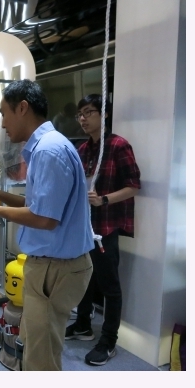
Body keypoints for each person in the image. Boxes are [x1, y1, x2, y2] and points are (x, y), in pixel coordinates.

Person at [0, 79, 93, 371]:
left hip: (54, 268)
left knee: (40, 357)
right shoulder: (50, 146)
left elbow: (45, 219)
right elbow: (37, 205)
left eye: (4, 113)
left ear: (22, 108)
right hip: (54, 266)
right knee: (36, 346)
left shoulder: (48, 151)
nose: (2, 124)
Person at [65, 93, 141, 366]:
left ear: (104, 113)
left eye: (89, 112)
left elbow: (134, 186)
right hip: (85, 225)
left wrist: (104, 199)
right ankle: (83, 324)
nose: (83, 119)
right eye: (80, 114)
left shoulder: (119, 146)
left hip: (106, 226)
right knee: (84, 276)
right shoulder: (83, 149)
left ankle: (108, 341)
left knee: (110, 285)